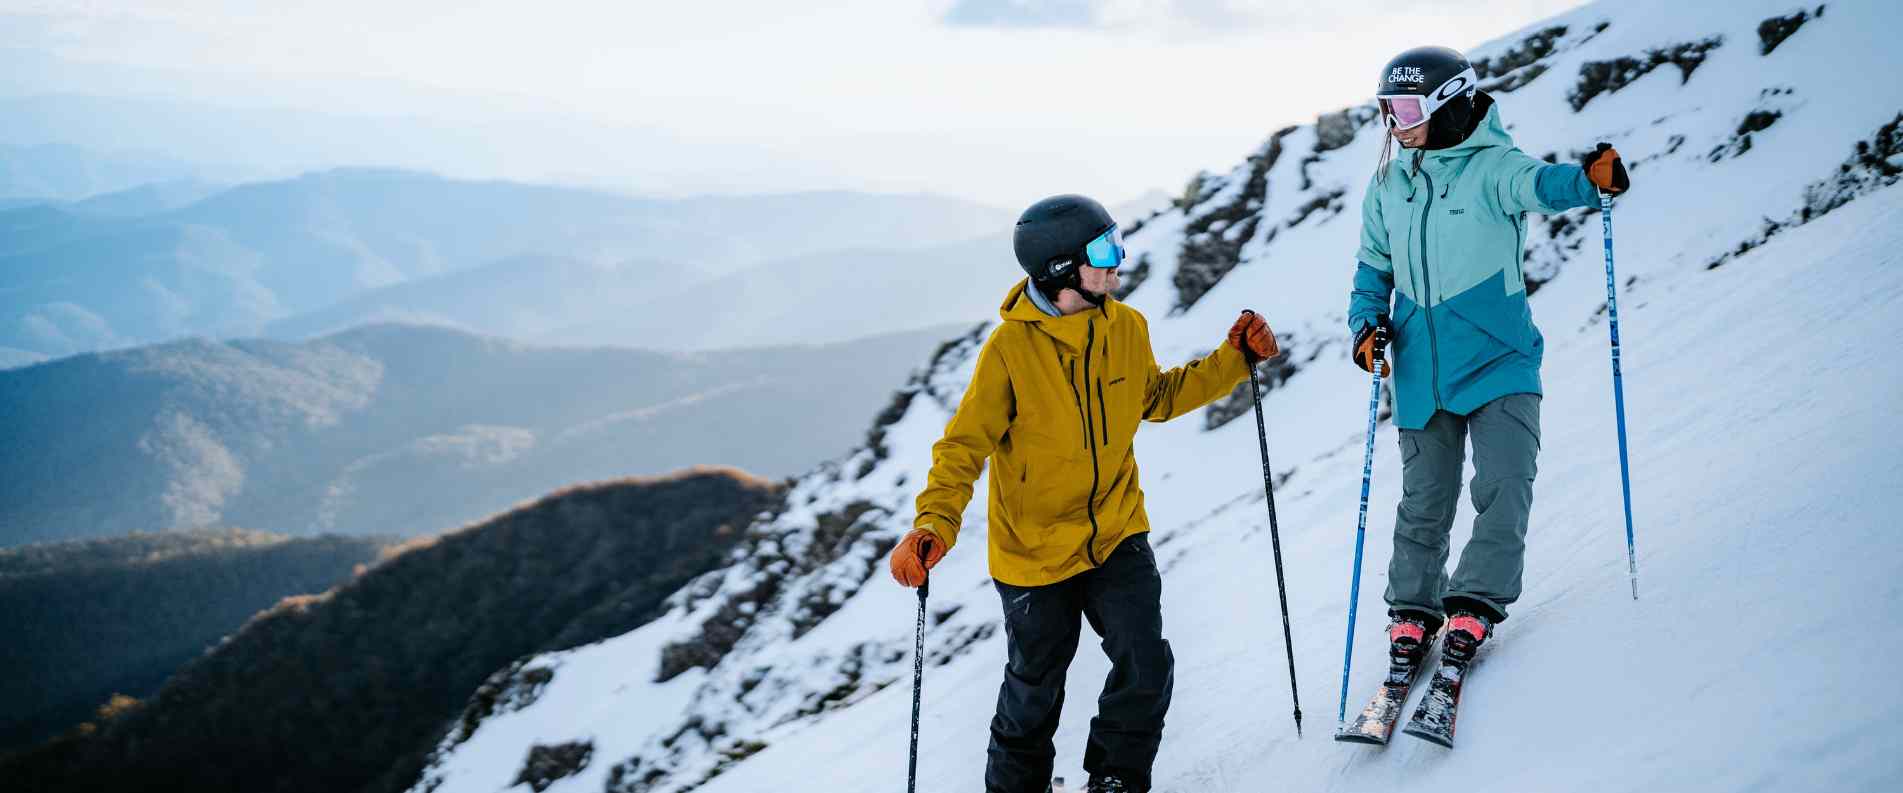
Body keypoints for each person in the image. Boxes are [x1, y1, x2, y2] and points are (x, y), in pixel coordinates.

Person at [888, 194, 1279, 793]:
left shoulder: (1126, 326)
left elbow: (1157, 398)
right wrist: (932, 524)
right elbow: (963, 446)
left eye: (1116, 240)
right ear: (1060, 268)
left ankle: (1116, 780)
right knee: (1033, 694)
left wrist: (1233, 359)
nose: (1118, 258)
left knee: (1146, 663)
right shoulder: (1010, 351)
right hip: (1034, 552)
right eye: (1103, 250)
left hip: (1116, 530)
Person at [1347, 46, 1629, 674]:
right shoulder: (1390, 182)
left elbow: (1539, 184)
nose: (1397, 122)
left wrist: (1588, 181)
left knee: (1503, 482)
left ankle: (1474, 600)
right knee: (1424, 500)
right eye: (1387, 108)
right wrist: (1367, 323)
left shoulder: (1491, 166)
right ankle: (1414, 612)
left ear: (1448, 100)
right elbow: (1373, 265)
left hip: (1499, 357)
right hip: (1423, 367)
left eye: (1408, 107)